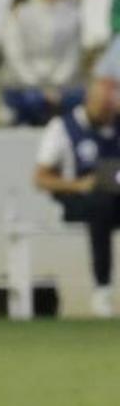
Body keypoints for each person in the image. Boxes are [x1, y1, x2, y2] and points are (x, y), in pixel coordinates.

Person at [33, 74, 120, 317]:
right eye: (103, 106)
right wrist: (79, 185)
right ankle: (102, 289)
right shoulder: (63, 128)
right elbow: (40, 178)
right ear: (88, 100)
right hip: (78, 199)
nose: (108, 113)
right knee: (100, 204)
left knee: (106, 201)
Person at [2, 0, 82, 126]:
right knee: (32, 100)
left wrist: (56, 86)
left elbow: (72, 55)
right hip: (24, 85)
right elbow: (16, 57)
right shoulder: (20, 13)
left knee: (80, 97)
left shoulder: (73, 14)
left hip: (61, 86)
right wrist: (39, 88)